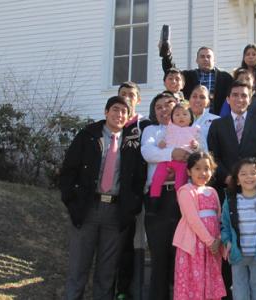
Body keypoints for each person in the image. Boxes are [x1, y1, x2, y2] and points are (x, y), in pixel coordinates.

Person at [61, 96, 145, 300]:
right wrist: (72, 201)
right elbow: (68, 170)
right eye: (115, 110)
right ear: (106, 112)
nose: (119, 115)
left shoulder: (132, 143)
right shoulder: (88, 136)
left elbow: (139, 179)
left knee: (106, 273)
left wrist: (131, 207)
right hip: (88, 208)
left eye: (124, 112)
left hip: (116, 213)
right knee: (78, 268)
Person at [140, 93, 185, 300]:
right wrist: (172, 154)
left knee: (180, 256)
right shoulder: (150, 130)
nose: (163, 109)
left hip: (182, 199)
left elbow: (194, 154)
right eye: (158, 106)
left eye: (168, 105)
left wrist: (170, 154)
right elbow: (148, 152)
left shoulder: (187, 130)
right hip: (156, 199)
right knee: (159, 256)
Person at [172, 151, 226, 300]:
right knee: (193, 284)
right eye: (197, 168)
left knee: (210, 281)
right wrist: (210, 241)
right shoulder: (185, 191)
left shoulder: (213, 192)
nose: (203, 172)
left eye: (207, 168)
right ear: (189, 171)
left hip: (212, 248)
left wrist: (218, 240)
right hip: (193, 248)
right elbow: (193, 219)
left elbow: (219, 218)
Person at [207, 80, 256, 196]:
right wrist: (226, 177)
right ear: (228, 99)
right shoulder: (216, 125)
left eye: (244, 95)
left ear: (250, 100)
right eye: (235, 95)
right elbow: (213, 156)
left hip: (255, 187)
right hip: (225, 187)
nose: (239, 99)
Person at [115, 82, 151, 300]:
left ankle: (135, 290)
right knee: (119, 244)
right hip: (114, 196)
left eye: (131, 95)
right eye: (123, 94)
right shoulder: (112, 125)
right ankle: (120, 290)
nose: (127, 97)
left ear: (138, 100)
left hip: (140, 195)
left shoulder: (144, 125)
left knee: (138, 244)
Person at [221, 158, 256, 300]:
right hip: (238, 256)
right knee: (240, 294)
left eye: (252, 173)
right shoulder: (231, 200)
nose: (248, 177)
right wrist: (227, 242)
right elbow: (224, 225)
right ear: (237, 180)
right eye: (243, 174)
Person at [160, 43, 234, 115]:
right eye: (202, 56)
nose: (205, 59)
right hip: (192, 120)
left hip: (218, 119)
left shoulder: (225, 77)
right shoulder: (188, 76)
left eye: (208, 57)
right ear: (197, 60)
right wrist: (166, 55)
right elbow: (172, 72)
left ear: (214, 61)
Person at [149, 102, 200, 199]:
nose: (181, 117)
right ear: (172, 118)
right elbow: (163, 139)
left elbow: (198, 146)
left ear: (191, 118)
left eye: (185, 114)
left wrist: (195, 145)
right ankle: (154, 199)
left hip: (182, 163)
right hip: (167, 160)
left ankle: (180, 201)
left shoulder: (194, 130)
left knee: (180, 183)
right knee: (157, 178)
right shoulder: (169, 128)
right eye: (177, 115)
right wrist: (161, 143)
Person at [188, 85, 220, 152]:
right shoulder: (178, 119)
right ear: (189, 99)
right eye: (194, 96)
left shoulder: (217, 120)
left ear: (208, 102)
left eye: (202, 97)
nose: (197, 100)